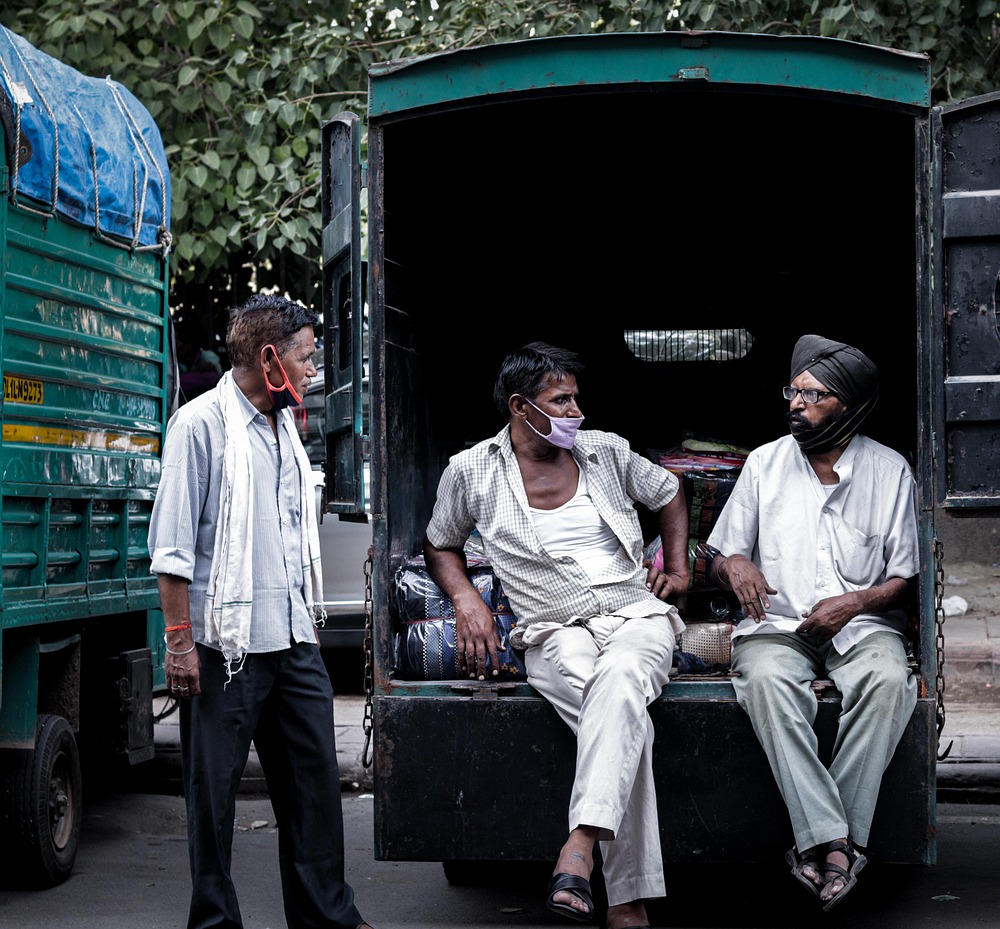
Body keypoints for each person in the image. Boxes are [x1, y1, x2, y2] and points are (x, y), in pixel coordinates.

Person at [424, 342, 689, 929]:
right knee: (623, 717)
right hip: (550, 631)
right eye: (561, 401)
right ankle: (625, 898)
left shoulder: (606, 452)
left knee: (619, 681)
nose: (576, 411)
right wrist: (468, 599)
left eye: (576, 398)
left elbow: (668, 491)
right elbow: (440, 541)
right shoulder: (471, 470)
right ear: (521, 407)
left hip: (634, 616)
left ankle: (579, 851)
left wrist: (679, 566)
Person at [148, 293, 373, 929]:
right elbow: (172, 550)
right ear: (270, 358)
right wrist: (180, 642)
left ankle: (327, 919)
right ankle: (216, 922)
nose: (313, 371)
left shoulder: (284, 427)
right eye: (305, 358)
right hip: (225, 648)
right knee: (212, 801)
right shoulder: (199, 425)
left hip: (294, 637)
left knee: (314, 792)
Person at [704, 334, 919, 913]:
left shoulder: (890, 471)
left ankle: (823, 843)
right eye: (792, 392)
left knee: (890, 681)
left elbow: (903, 578)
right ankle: (837, 844)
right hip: (776, 625)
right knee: (768, 683)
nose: (795, 404)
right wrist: (737, 564)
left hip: (860, 627)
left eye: (812, 395)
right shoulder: (764, 463)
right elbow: (720, 556)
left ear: (848, 406)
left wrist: (854, 603)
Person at [174, 315, 224, 399]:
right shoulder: (179, 363)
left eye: (177, 343)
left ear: (188, 344)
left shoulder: (208, 357)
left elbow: (212, 378)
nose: (174, 347)